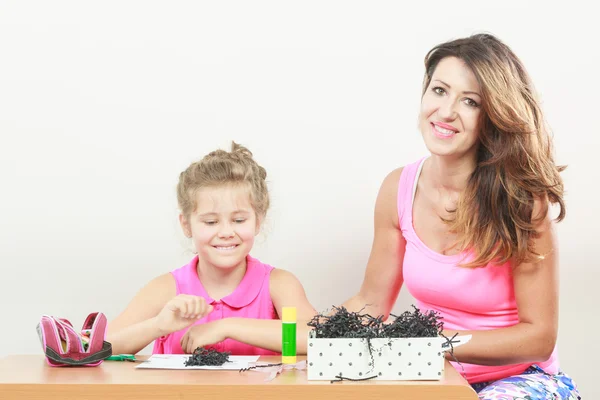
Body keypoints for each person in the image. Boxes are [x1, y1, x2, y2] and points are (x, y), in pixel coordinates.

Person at [341, 34, 580, 399]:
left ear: (493, 117)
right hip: (438, 379)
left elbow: (539, 338)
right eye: (439, 90)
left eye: (469, 101)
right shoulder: (398, 189)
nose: (446, 111)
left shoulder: (520, 202)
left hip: (522, 380)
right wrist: (285, 334)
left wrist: (434, 343)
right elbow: (369, 304)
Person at [107, 142, 316, 356]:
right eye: (210, 222)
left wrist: (227, 327)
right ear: (187, 225)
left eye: (239, 219)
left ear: (258, 221)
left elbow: (317, 338)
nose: (226, 232)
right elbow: (100, 347)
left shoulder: (279, 284)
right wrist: (158, 326)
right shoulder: (166, 288)